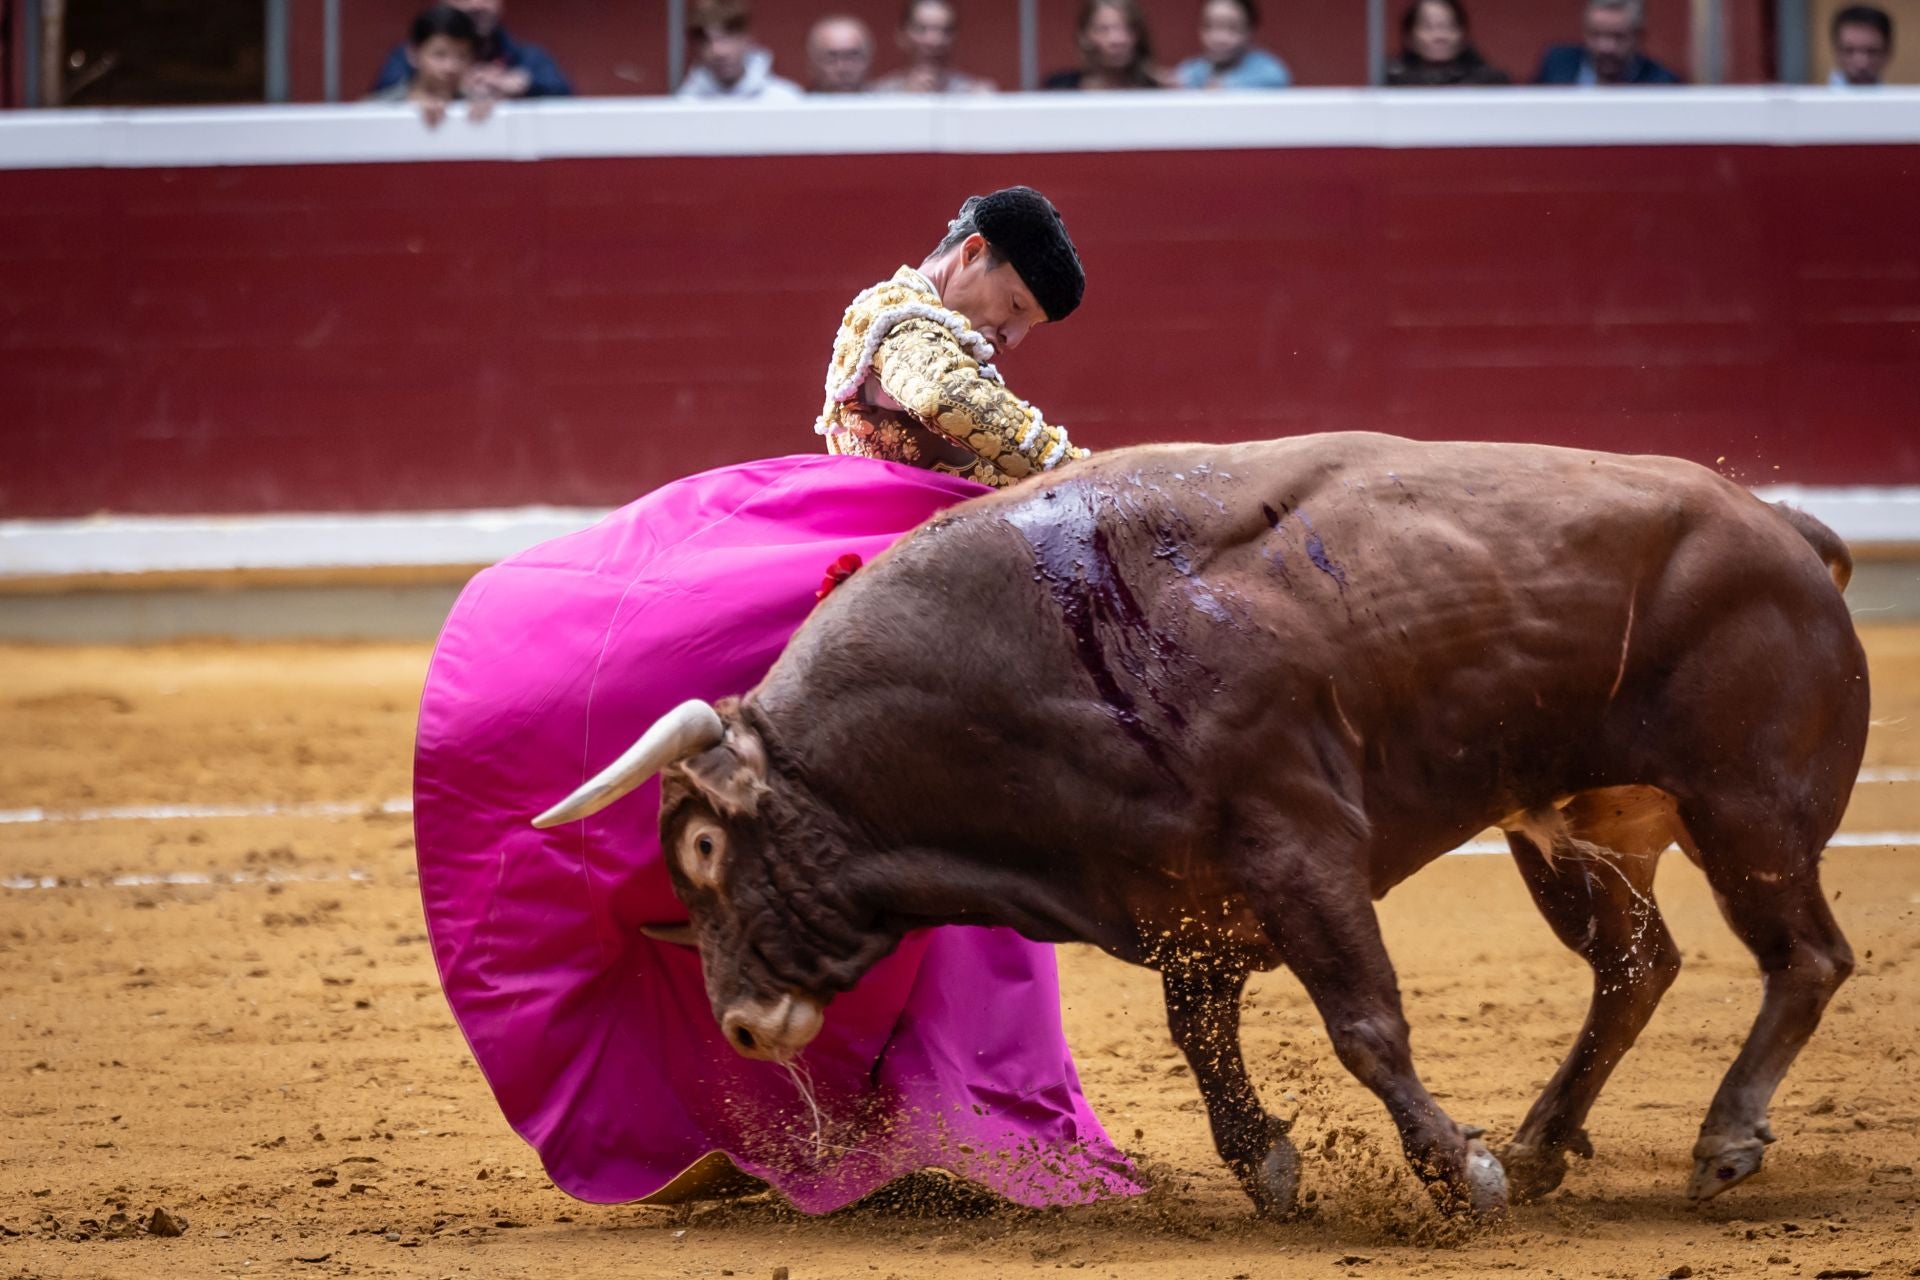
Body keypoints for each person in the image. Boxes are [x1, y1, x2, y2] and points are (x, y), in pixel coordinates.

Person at [413, 187, 1135, 1213]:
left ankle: (895, 1104)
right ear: (970, 253)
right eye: (1012, 306)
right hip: (903, 603)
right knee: (977, 833)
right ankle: (949, 1103)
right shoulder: (917, 328)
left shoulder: (879, 306)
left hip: (891, 586)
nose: (1009, 335)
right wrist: (1092, 473)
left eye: (1023, 327)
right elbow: (954, 405)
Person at [370, 0, 572, 101]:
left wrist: (522, 85)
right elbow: (378, 107)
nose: (477, 4)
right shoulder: (406, 56)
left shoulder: (529, 58)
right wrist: (450, 90)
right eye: (440, 55)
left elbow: (569, 104)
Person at [366, 6, 493, 128]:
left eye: (462, 56)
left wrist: (491, 116)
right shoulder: (376, 109)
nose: (451, 67)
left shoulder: (476, 105)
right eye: (440, 55)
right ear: (413, 54)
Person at [678, 0, 804, 100]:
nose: (718, 51)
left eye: (727, 37)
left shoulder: (786, 101)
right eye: (706, 41)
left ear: (747, 39)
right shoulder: (682, 107)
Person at [1534, 0, 1681, 85]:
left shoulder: (1661, 83)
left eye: (1618, 37)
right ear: (1585, 32)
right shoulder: (1556, 65)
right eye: (1596, 35)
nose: (1606, 47)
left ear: (1638, 36)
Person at [871, 0, 996, 94]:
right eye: (922, 29)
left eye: (944, 30)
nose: (934, 41)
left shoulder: (975, 96)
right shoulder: (878, 96)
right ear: (902, 35)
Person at [1044, 0, 1163, 90]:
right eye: (1103, 29)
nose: (1117, 40)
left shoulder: (1155, 91)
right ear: (1084, 36)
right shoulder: (1061, 89)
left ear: (1139, 34)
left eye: (1128, 28)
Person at [1173, 0, 1291, 89]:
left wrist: (1224, 88)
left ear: (1250, 31)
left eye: (1232, 28)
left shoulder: (1270, 71)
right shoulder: (1193, 69)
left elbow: (1276, 81)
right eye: (1210, 26)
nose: (1219, 38)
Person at [1387, 0, 1510, 85]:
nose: (1439, 36)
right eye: (1428, 27)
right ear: (1409, 36)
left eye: (1449, 27)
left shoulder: (1489, 82)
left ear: (1462, 34)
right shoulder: (1390, 80)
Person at [806, 14, 875, 93]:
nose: (843, 68)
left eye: (852, 57)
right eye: (831, 59)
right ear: (811, 65)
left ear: (869, 60)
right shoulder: (794, 103)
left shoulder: (889, 101)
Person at [1830, 5, 1893, 87]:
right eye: (1849, 51)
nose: (1861, 63)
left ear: (1887, 51)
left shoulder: (1901, 99)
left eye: (1872, 51)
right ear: (1836, 51)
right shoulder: (1814, 99)